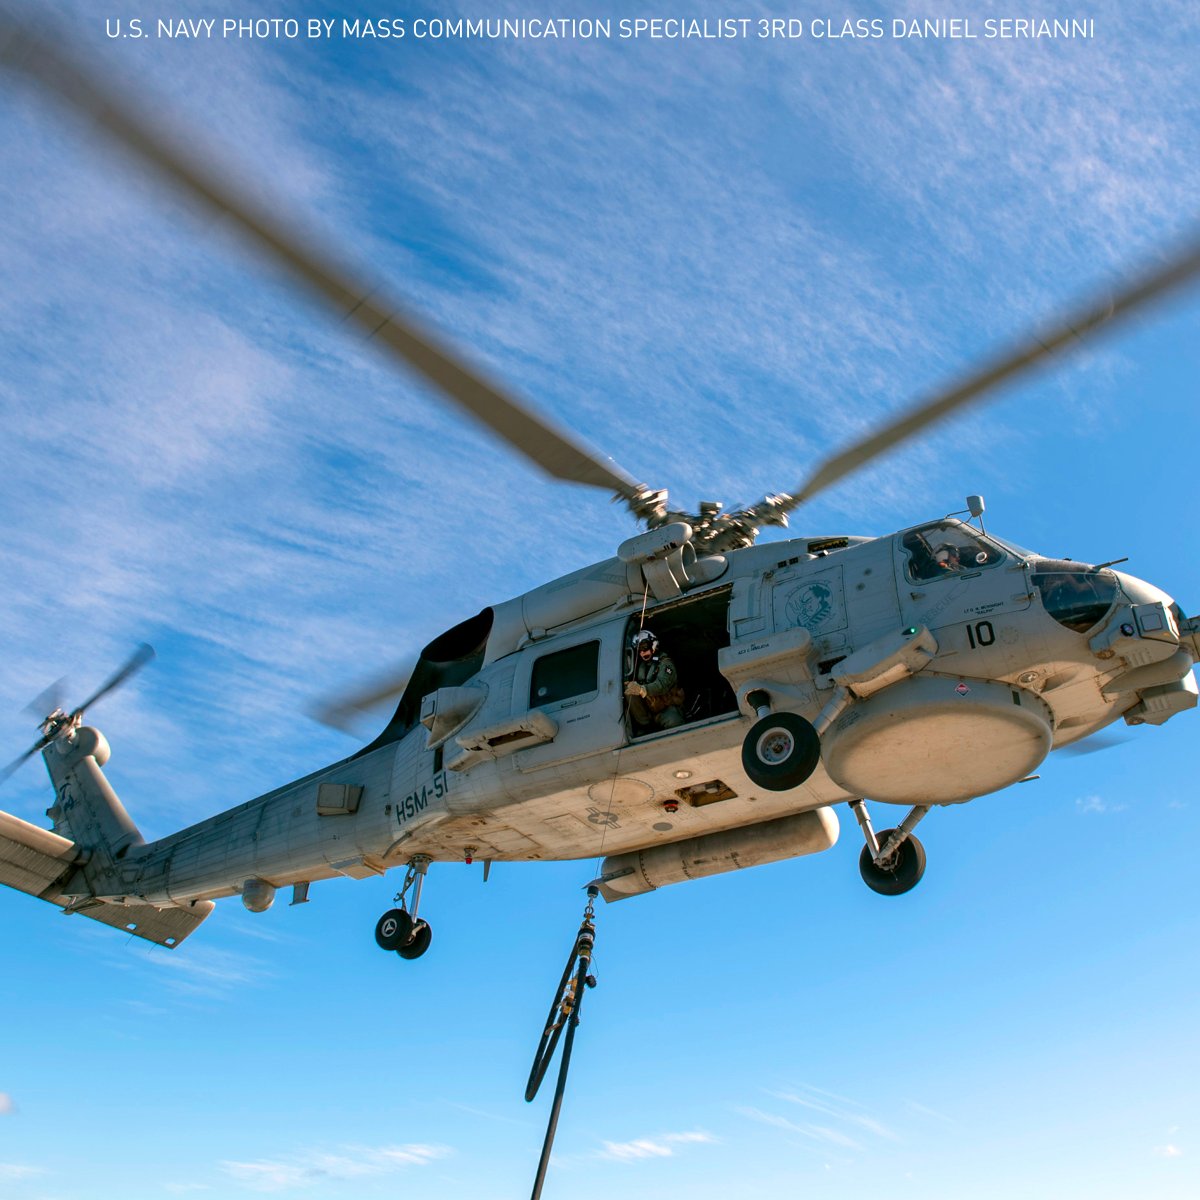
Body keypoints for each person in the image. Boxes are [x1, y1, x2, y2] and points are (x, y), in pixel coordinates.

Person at [624, 629, 685, 732]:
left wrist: (642, 689)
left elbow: (662, 685)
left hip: (666, 709)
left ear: (653, 645)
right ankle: (645, 727)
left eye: (644, 647)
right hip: (650, 711)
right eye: (639, 649)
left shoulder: (666, 664)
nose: (642, 652)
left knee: (674, 722)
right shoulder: (642, 666)